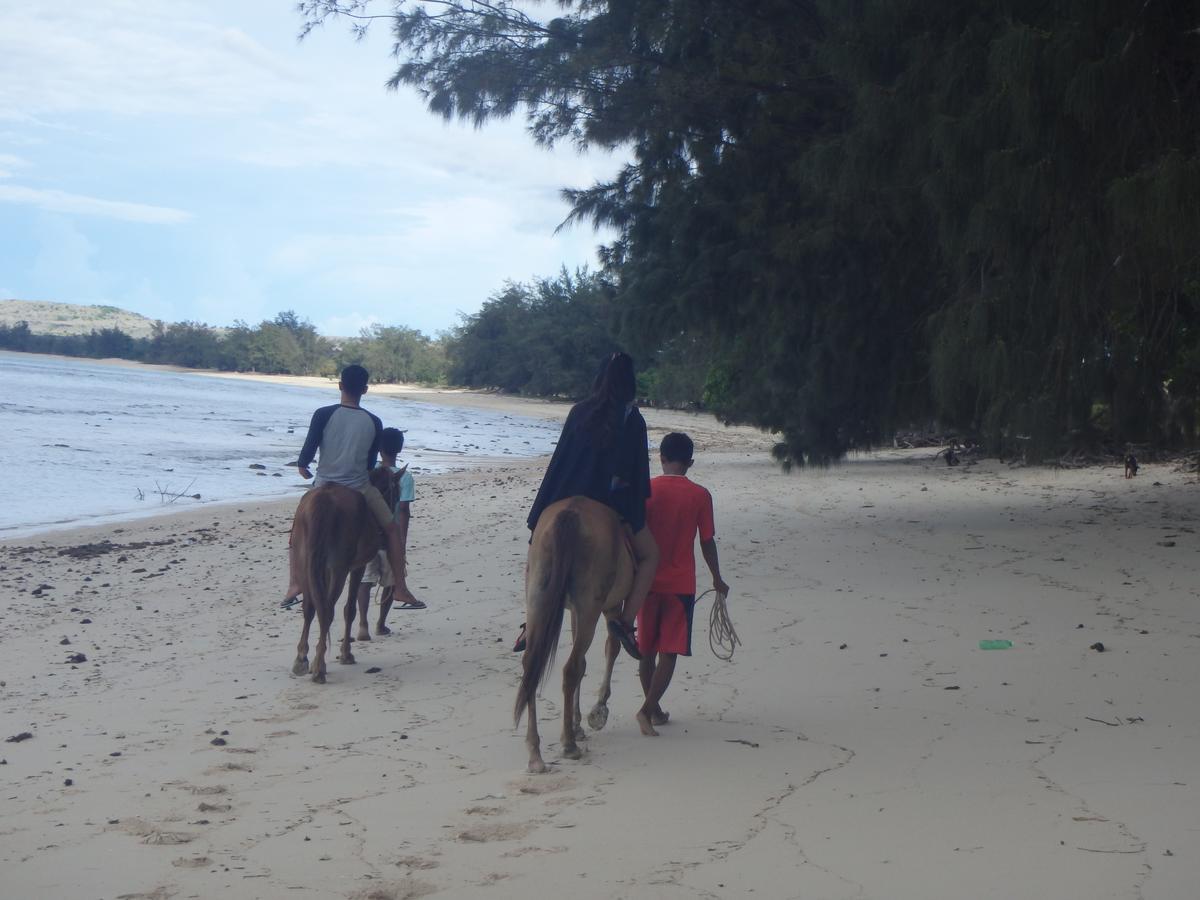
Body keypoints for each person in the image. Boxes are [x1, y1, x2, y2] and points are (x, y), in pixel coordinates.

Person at [517, 351, 658, 659]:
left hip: (563, 494)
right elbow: (634, 472)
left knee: (535, 549)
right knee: (650, 557)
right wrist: (628, 507)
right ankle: (625, 621)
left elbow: (561, 461)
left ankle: (530, 622)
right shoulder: (632, 419)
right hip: (610, 503)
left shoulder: (579, 411)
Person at [282, 365, 419, 611]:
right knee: (391, 530)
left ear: (340, 385)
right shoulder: (374, 421)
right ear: (365, 390)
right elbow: (368, 462)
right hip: (359, 486)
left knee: (296, 533)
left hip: (322, 484)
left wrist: (303, 466)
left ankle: (294, 584)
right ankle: (399, 587)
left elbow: (309, 448)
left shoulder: (322, 413)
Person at [635, 431, 729, 736]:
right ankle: (648, 710)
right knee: (669, 652)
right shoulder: (700, 495)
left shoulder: (646, 491)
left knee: (646, 649)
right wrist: (717, 578)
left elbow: (633, 535)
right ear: (690, 462)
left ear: (660, 458)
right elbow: (706, 541)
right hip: (680, 584)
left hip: (646, 583)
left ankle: (655, 709)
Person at [355, 426, 424, 637]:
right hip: (389, 537)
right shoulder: (405, 477)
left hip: (367, 535)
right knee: (390, 582)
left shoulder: (369, 472)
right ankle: (381, 624)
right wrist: (401, 541)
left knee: (364, 581)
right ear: (400, 448)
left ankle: (363, 624)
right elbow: (403, 510)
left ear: (378, 448)